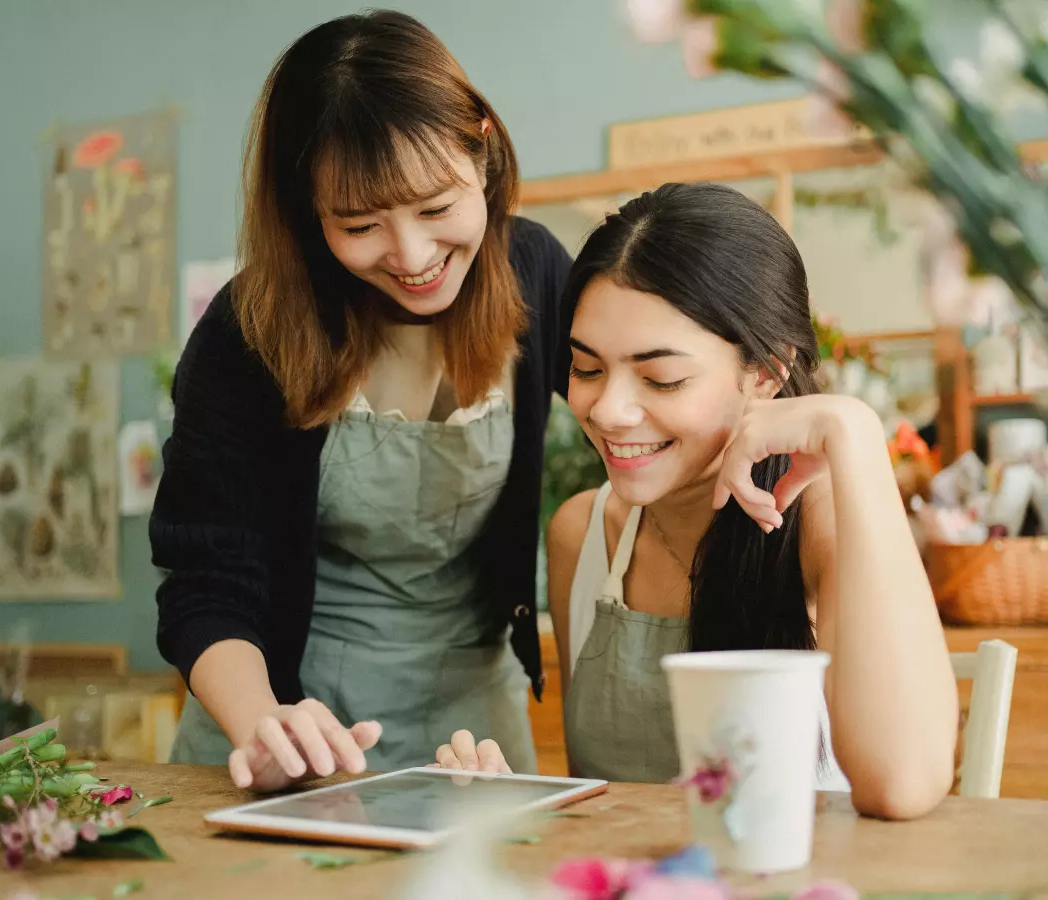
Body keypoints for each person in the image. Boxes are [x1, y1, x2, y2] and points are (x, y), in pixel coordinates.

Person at [435, 182, 959, 820]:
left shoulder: (822, 523)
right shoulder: (585, 534)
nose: (609, 410)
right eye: (586, 369)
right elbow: (603, 814)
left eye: (662, 378)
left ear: (765, 373)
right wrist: (511, 806)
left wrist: (853, 431)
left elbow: (901, 785)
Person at [150, 10, 573, 792]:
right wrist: (260, 720)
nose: (412, 258)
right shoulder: (251, 332)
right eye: (360, 224)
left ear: (482, 146)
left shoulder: (538, 276)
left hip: (471, 716)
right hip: (284, 707)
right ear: (307, 210)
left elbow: (642, 400)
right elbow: (207, 580)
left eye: (436, 207)